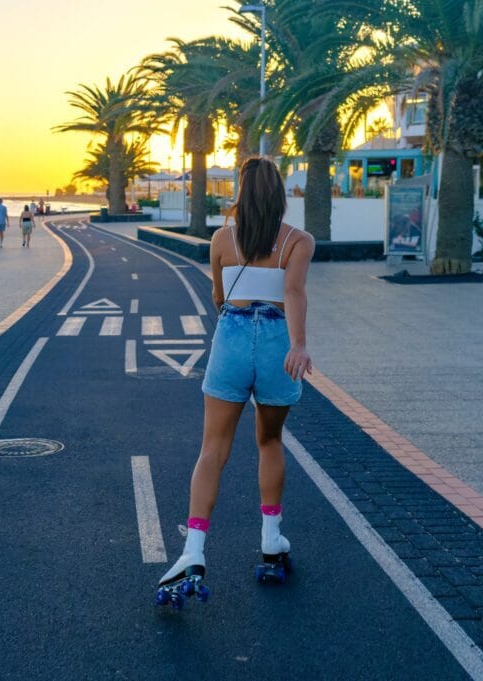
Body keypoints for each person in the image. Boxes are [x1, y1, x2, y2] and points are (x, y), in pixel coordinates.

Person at [156, 157, 314, 603]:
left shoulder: (222, 239)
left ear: (241, 196)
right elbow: (294, 293)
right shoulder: (298, 242)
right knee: (269, 442)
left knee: (213, 449)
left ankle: (193, 550)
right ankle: (269, 540)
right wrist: (297, 344)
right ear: (280, 195)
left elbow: (219, 299)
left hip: (231, 336)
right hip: (276, 346)